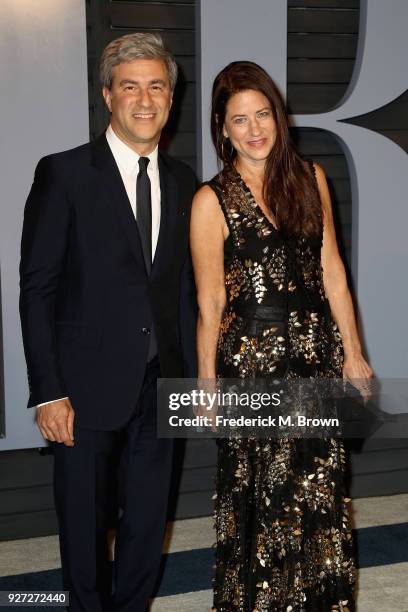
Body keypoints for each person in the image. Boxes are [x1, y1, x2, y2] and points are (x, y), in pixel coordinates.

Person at [19, 33, 197, 612]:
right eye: (130, 86)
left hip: (161, 387)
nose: (145, 100)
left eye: (156, 86)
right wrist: (48, 391)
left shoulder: (184, 181)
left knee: (148, 527)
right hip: (84, 389)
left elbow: (187, 292)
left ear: (171, 98)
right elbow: (37, 290)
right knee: (85, 529)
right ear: (107, 96)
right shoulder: (65, 174)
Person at [190, 61, 373, 611]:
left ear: (278, 114)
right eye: (239, 120)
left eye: (262, 114)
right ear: (222, 129)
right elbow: (210, 301)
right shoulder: (210, 201)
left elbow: (333, 271)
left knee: (319, 492)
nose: (254, 129)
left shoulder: (310, 178)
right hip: (250, 366)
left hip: (316, 357)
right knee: (264, 499)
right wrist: (206, 383)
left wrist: (355, 353)